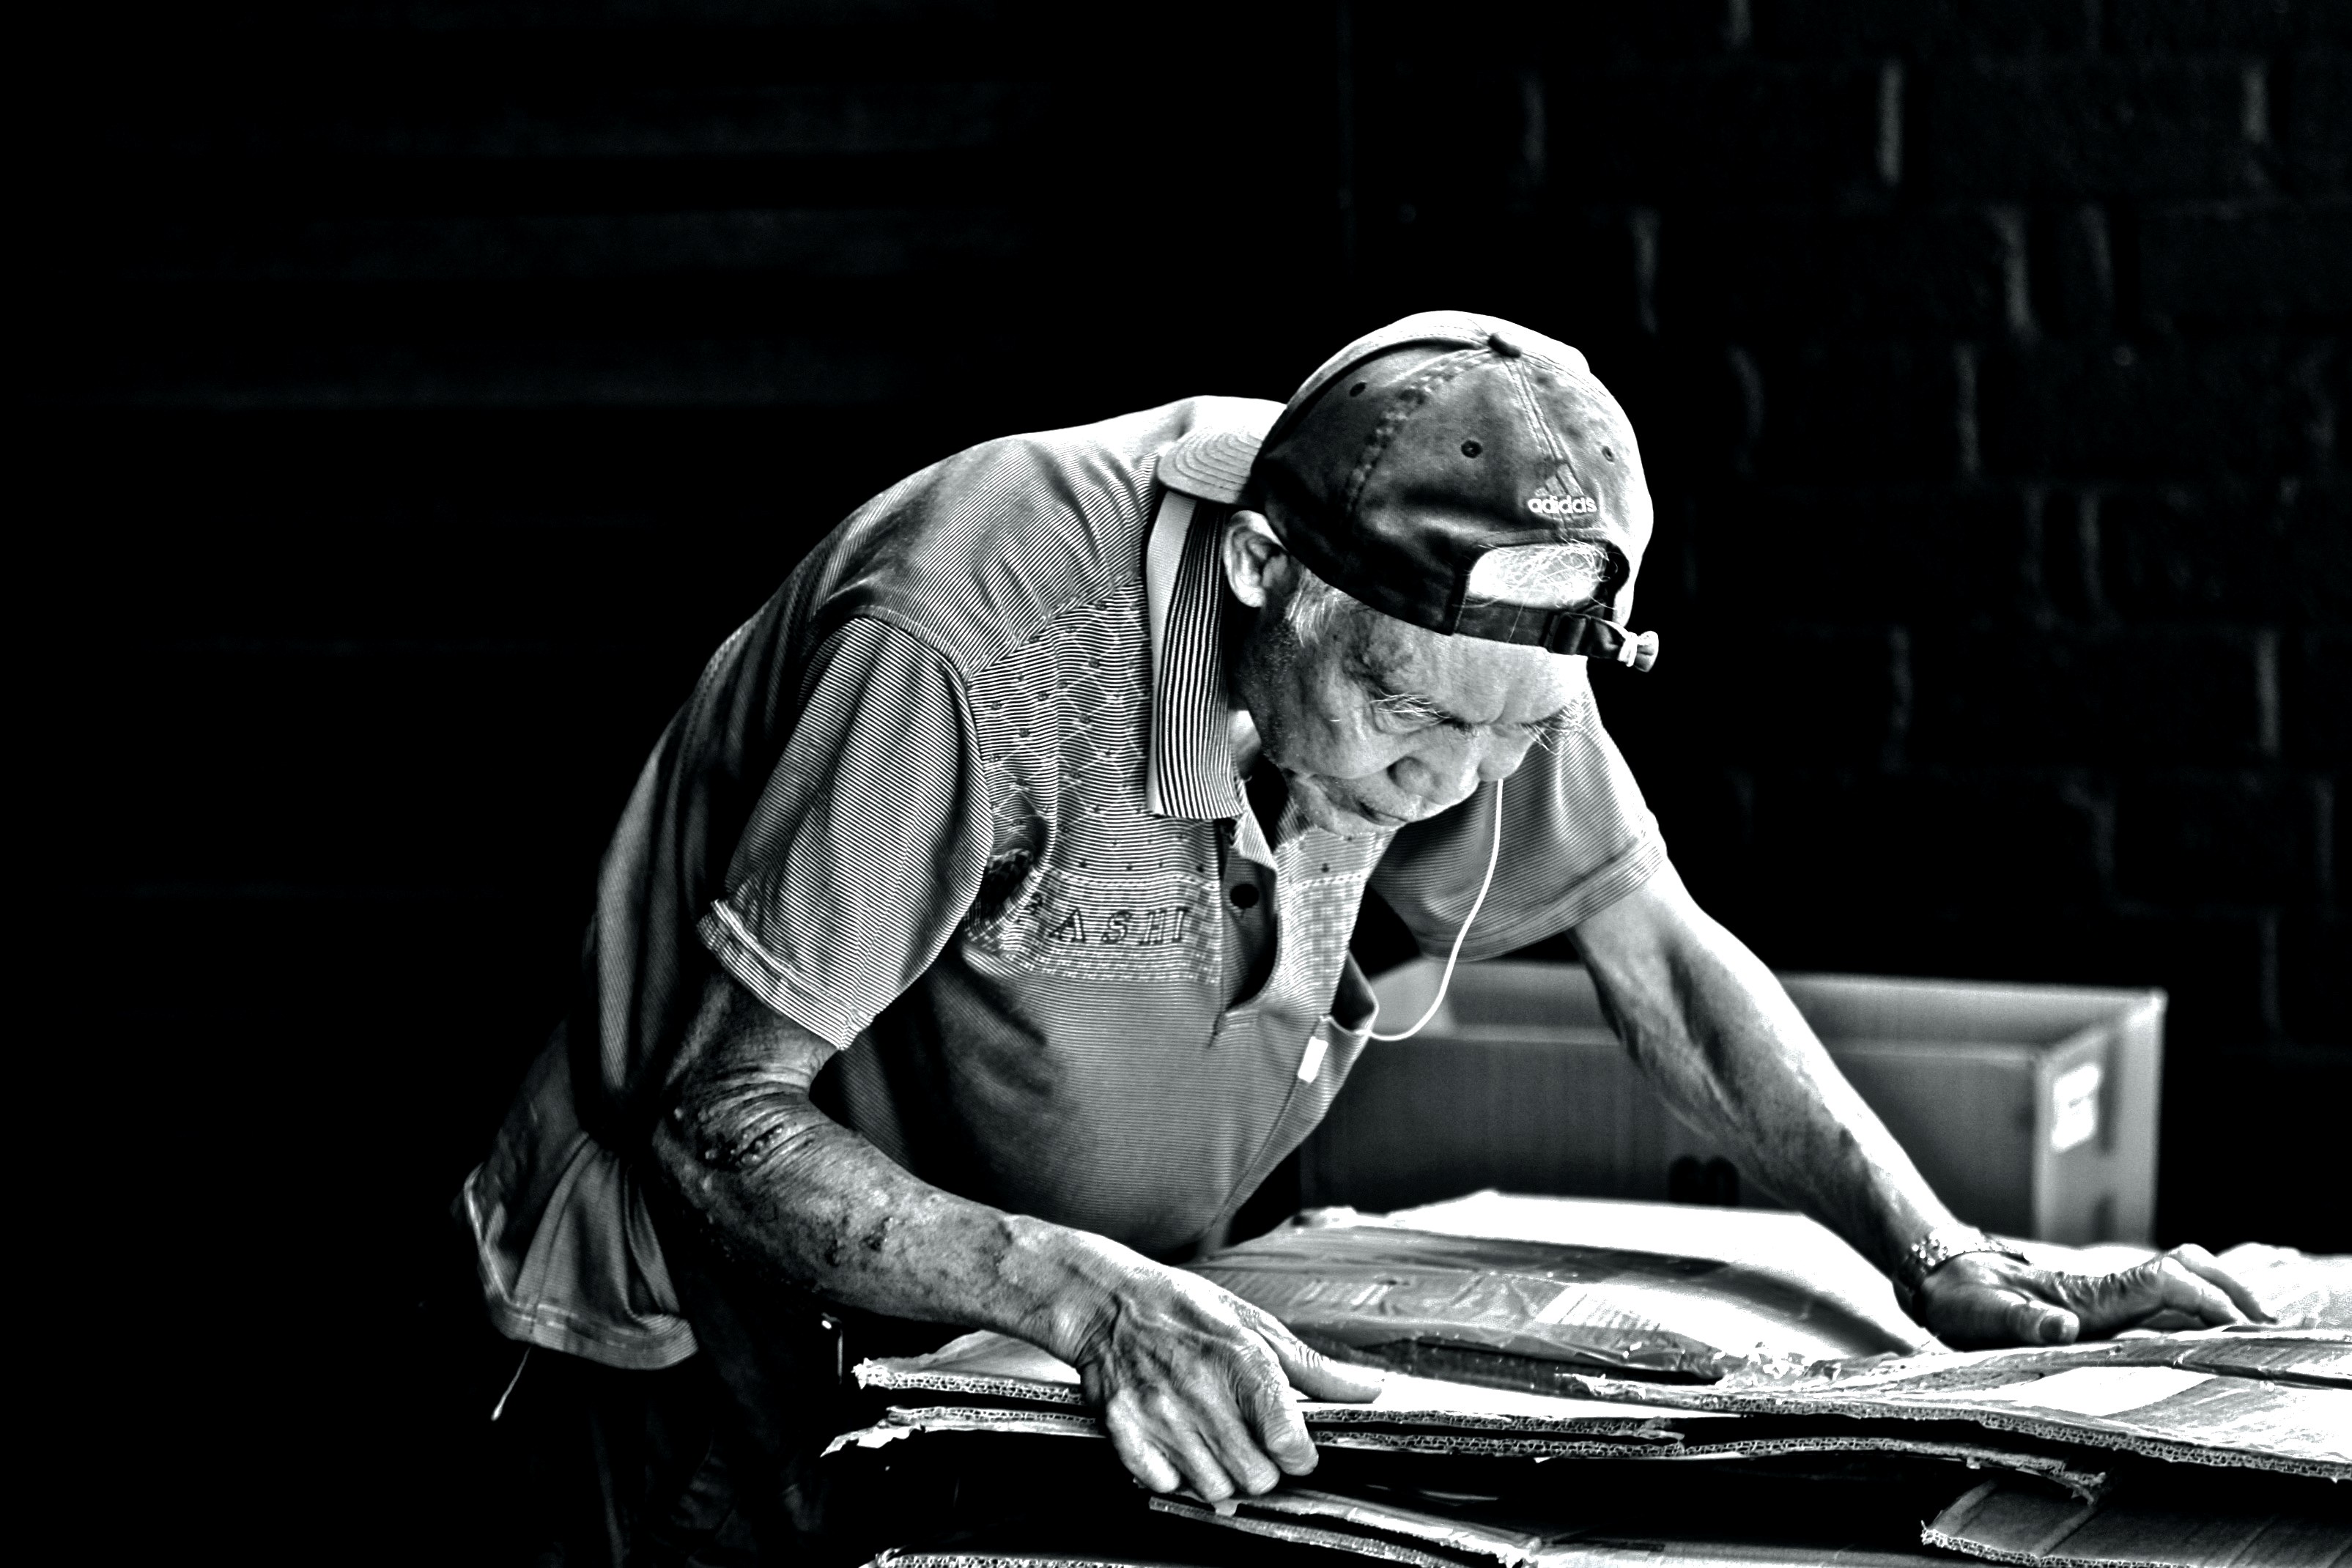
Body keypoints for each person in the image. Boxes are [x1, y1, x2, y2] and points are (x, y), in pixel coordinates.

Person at [459, 311, 2265, 1562]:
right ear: (1261, 574)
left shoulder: (1472, 632)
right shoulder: (969, 635)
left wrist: (1939, 1253)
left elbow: (1656, 949)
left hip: (1040, 1342)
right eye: (1414, 724)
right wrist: (1087, 1296)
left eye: (1513, 736)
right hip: (702, 1359)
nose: (1458, 782)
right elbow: (719, 1111)